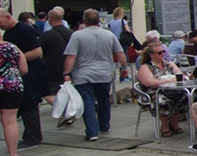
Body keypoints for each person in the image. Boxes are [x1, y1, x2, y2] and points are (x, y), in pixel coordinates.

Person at [62, 8, 127, 142]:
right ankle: (104, 125)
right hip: (104, 74)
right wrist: (124, 67)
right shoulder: (109, 35)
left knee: (88, 102)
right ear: (99, 20)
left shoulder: (77, 36)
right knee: (104, 101)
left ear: (84, 21)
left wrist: (66, 72)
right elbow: (120, 53)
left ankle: (92, 132)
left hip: (83, 74)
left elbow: (71, 57)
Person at [0, 8, 49, 151]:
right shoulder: (9, 33)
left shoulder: (23, 30)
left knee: (30, 102)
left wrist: (14, 60)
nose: (0, 26)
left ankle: (33, 137)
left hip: (31, 72)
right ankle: (29, 135)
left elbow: (37, 51)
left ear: (8, 17)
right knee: (23, 104)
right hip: (18, 75)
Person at [136, 43, 186, 137]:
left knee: (185, 97)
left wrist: (169, 78)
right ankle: (165, 125)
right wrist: (169, 80)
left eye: (163, 51)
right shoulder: (146, 67)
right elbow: (150, 83)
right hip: (154, 92)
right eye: (159, 53)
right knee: (161, 100)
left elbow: (180, 76)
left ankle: (173, 122)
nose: (163, 54)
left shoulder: (169, 64)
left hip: (172, 90)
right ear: (151, 55)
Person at [39, 8, 74, 118]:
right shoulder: (72, 34)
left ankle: (64, 110)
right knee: (67, 91)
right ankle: (69, 110)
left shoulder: (47, 35)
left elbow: (39, 52)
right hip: (70, 68)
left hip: (52, 68)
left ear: (50, 19)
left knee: (47, 92)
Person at [0, 31, 28, 156]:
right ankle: (13, 155)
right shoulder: (12, 47)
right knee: (10, 121)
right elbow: (24, 69)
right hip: (11, 86)